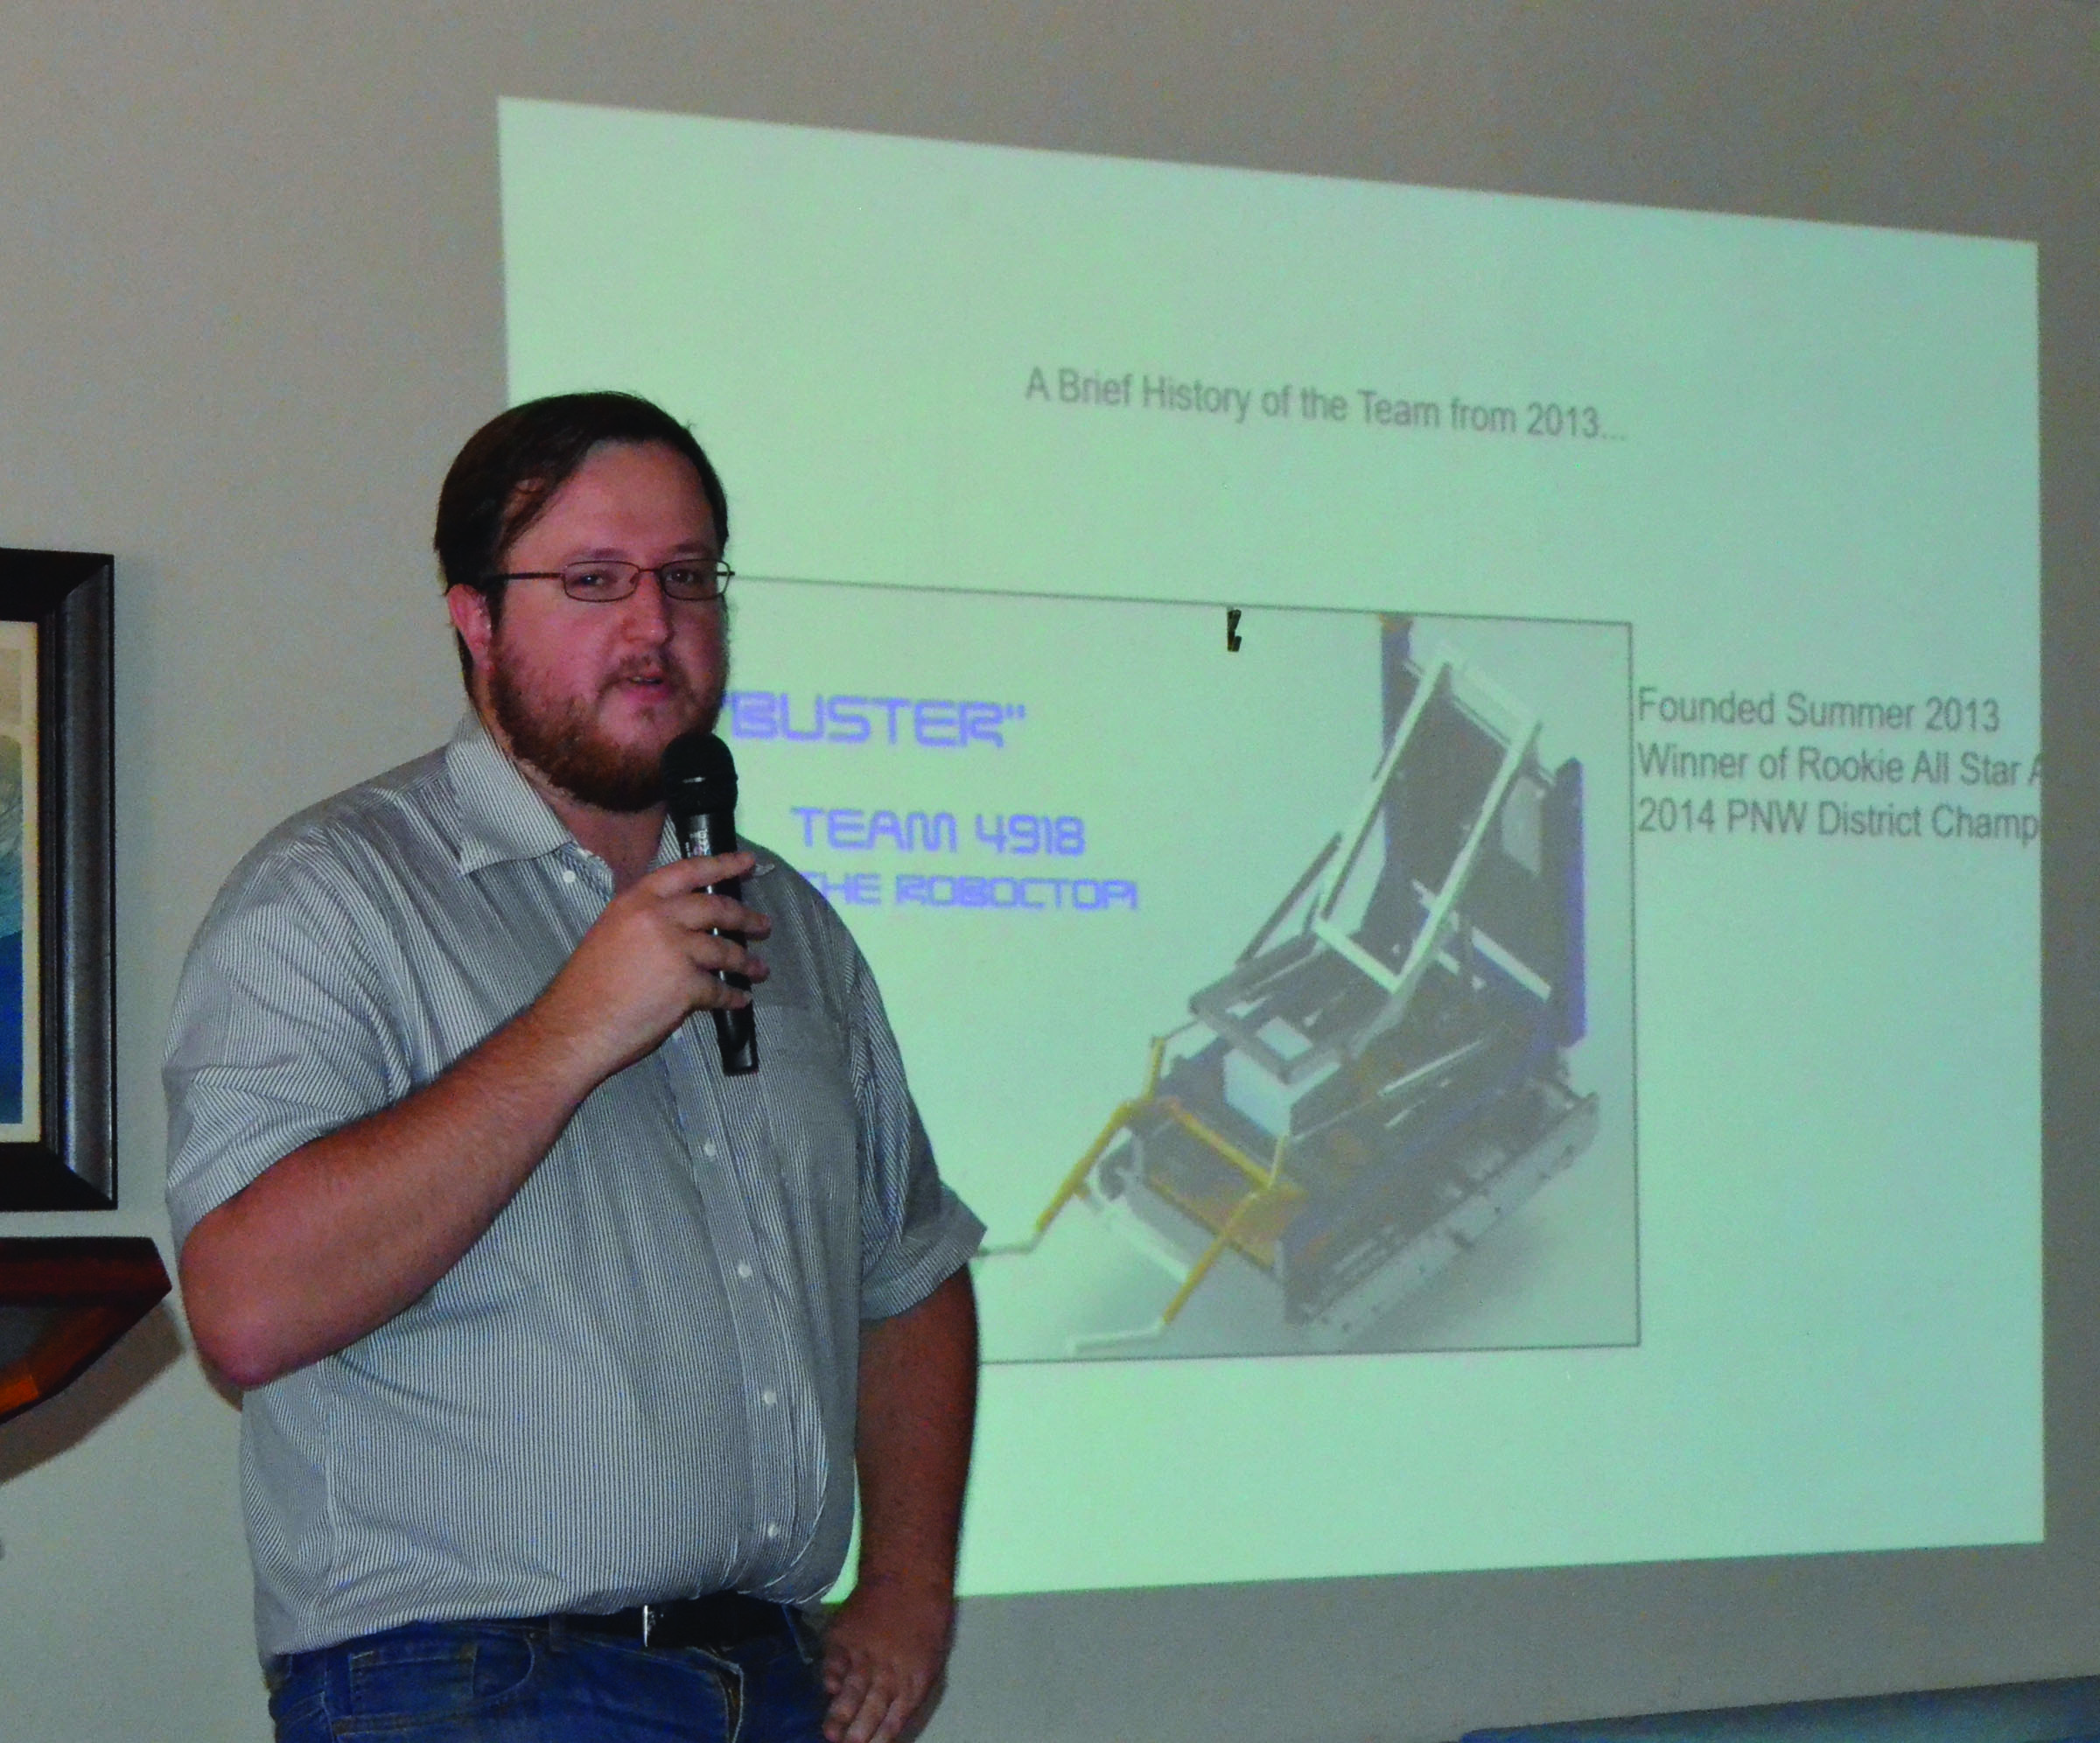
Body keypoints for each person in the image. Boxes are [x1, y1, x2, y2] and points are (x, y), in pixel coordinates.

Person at [164, 391, 984, 1743]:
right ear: (475, 619)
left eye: (687, 578)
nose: (654, 626)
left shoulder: (790, 922)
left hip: (772, 1679)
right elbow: (245, 1310)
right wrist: (573, 1029)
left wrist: (907, 1589)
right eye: (594, 580)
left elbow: (908, 1272)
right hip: (469, 1689)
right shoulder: (329, 899)